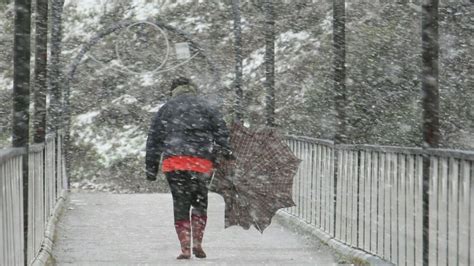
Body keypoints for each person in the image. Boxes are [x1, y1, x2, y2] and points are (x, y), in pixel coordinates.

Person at [145, 77, 234, 259]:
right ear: (193, 89)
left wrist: (151, 168)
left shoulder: (166, 109)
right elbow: (221, 131)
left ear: (173, 91)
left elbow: (154, 139)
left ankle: (185, 247)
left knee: (180, 203)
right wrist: (225, 150)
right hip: (201, 162)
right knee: (200, 201)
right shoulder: (207, 107)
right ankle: (198, 243)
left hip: (174, 162)